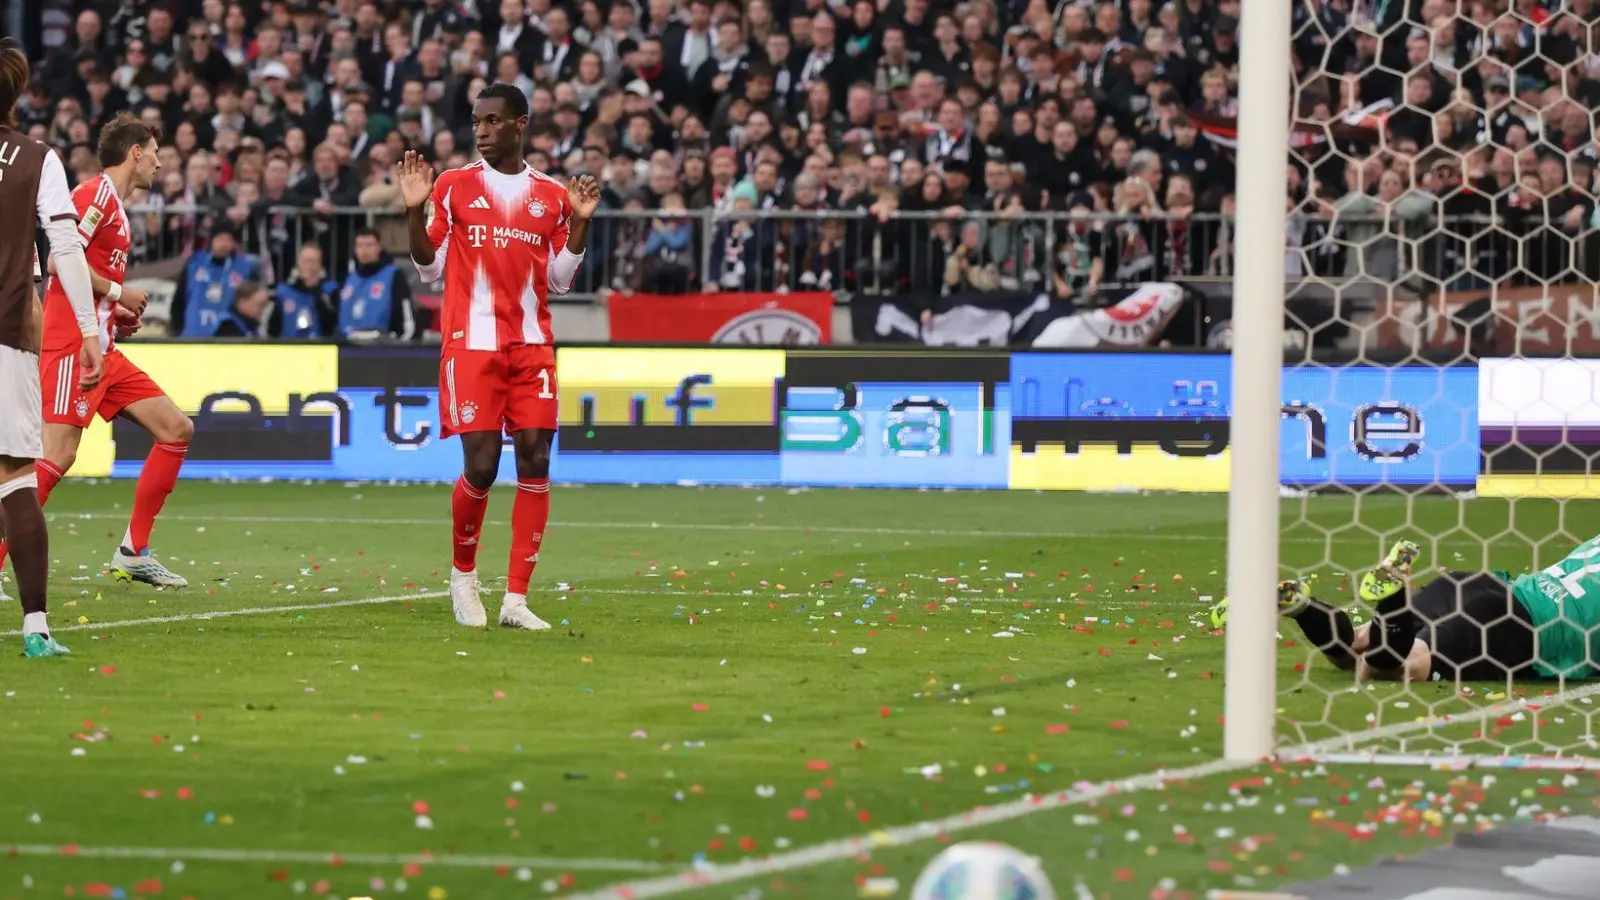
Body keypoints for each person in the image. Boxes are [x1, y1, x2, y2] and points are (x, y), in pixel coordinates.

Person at [395, 82, 600, 630]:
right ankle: (463, 577)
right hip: (473, 346)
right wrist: (415, 211)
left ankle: (516, 600)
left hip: (532, 347)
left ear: (520, 124)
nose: (481, 131)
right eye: (476, 121)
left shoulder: (552, 195)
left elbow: (559, 278)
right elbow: (429, 267)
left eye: (492, 121)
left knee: (535, 462)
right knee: (481, 466)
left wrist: (579, 224)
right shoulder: (455, 186)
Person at [11, 112, 193, 590]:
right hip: (73, 344)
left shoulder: (114, 203)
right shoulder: (93, 197)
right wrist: (118, 292)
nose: (159, 162)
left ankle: (133, 551)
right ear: (135, 151)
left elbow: (84, 276)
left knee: (175, 428)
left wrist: (117, 315)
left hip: (104, 347)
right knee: (56, 455)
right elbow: (56, 260)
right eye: (155, 152)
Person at [0, 40, 102, 658]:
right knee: (14, 477)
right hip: (8, 335)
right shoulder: (37, 157)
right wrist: (89, 332)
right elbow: (65, 246)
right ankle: (36, 629)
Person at [1213, 539, 1600, 683]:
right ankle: (1392, 596)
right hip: (1517, 624)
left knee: (1354, 649)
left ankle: (1300, 605)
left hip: (1481, 585)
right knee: (1395, 665)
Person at [171, 226, 263, 337]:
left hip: (228, 335)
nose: (223, 244)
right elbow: (179, 300)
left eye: (228, 240)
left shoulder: (243, 268)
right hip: (192, 334)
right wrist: (177, 330)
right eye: (220, 239)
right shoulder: (195, 264)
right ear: (212, 241)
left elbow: (250, 305)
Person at [337, 227, 419, 340]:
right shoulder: (350, 279)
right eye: (360, 245)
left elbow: (405, 314)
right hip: (349, 347)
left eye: (369, 245)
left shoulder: (393, 275)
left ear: (379, 247)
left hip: (382, 349)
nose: (364, 250)